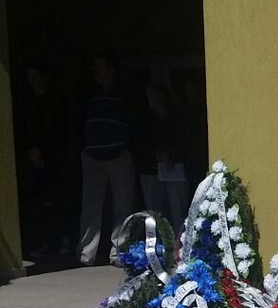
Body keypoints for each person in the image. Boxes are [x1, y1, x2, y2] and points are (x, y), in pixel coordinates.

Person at [76, 53, 136, 266]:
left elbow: (134, 120)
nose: (95, 71)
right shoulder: (89, 93)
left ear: (111, 69)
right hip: (92, 157)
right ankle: (86, 255)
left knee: (122, 207)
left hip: (118, 156)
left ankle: (119, 253)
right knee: (90, 209)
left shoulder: (124, 93)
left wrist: (127, 148)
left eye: (99, 66)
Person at [16, 60, 63, 257]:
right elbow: (21, 130)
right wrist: (30, 151)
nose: (33, 81)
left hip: (52, 159)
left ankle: (55, 242)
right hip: (31, 159)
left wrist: (44, 153)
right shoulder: (26, 103)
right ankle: (38, 242)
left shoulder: (56, 102)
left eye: (36, 77)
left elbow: (59, 131)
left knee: (53, 202)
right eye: (30, 78)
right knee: (35, 202)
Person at [139, 81, 188, 232]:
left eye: (152, 95)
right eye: (147, 96)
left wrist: (170, 154)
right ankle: (155, 243)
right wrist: (156, 155)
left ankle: (180, 242)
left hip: (174, 168)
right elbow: (141, 142)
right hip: (151, 169)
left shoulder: (177, 117)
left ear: (162, 96)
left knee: (178, 210)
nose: (149, 99)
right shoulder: (146, 118)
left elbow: (185, 140)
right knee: (154, 213)